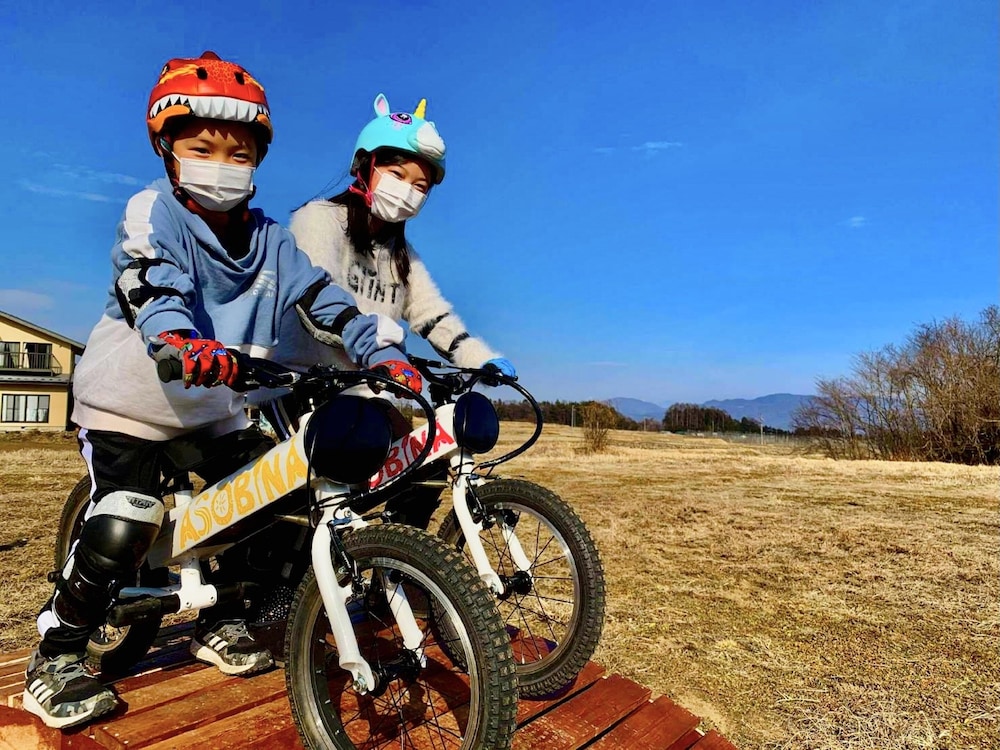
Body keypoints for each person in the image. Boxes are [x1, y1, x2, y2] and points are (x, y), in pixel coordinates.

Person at [23, 51, 421, 730]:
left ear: (258, 159)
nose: (221, 163)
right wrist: (180, 339)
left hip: (214, 404)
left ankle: (222, 621)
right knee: (124, 518)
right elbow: (151, 280)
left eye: (238, 153)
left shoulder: (269, 240)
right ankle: (55, 657)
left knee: (267, 500)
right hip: (131, 401)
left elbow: (326, 303)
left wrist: (381, 353)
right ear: (167, 150)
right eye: (202, 147)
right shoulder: (154, 211)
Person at [271, 94, 515, 527]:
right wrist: (376, 344)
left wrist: (481, 359)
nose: (408, 191)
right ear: (364, 167)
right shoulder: (319, 220)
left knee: (427, 470)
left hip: (370, 392)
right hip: (307, 390)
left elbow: (433, 316)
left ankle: (399, 571)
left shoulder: (403, 255)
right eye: (398, 174)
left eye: (420, 186)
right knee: (313, 512)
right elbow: (314, 298)